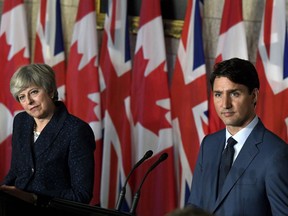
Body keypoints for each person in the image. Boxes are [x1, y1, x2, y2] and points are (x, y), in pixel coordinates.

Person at [187, 58, 288, 215]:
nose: (225, 104)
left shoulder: (276, 154)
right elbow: (194, 207)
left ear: (254, 96)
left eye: (234, 94)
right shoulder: (209, 144)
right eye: (218, 94)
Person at [0, 63, 96, 208]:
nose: (29, 101)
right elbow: (16, 171)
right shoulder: (21, 121)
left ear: (50, 91)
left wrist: (34, 198)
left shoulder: (76, 130)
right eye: (22, 97)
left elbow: (81, 195)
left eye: (33, 92)